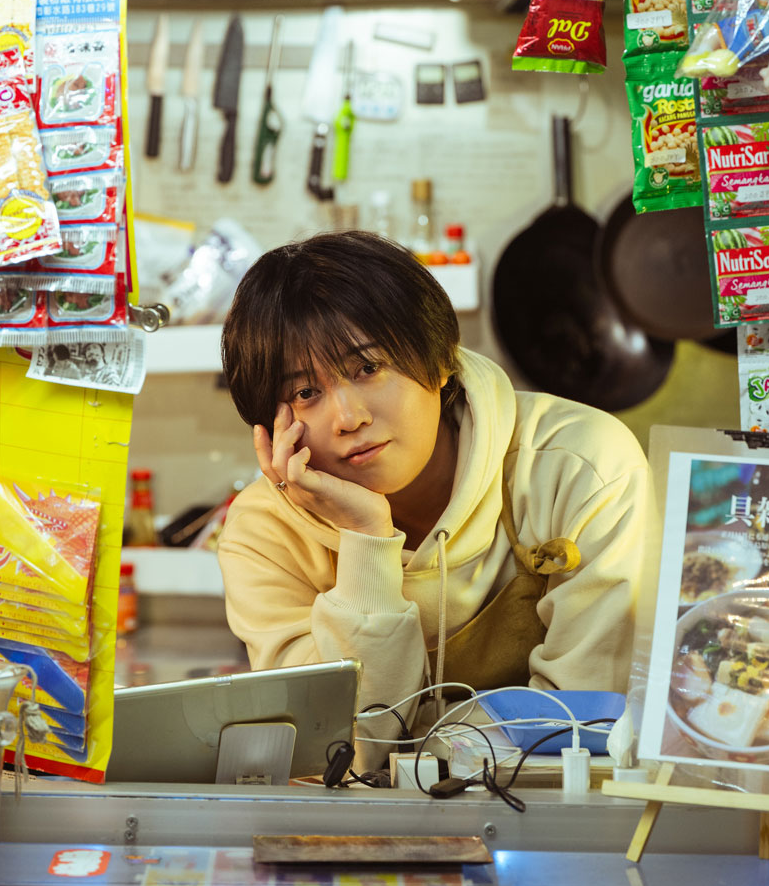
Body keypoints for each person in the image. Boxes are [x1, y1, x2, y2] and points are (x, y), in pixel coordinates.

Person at [217, 230, 650, 719]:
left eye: (367, 367)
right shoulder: (262, 532)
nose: (348, 418)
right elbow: (338, 748)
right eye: (304, 393)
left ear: (442, 356)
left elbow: (582, 721)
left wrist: (419, 736)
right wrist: (366, 539)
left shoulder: (579, 468)